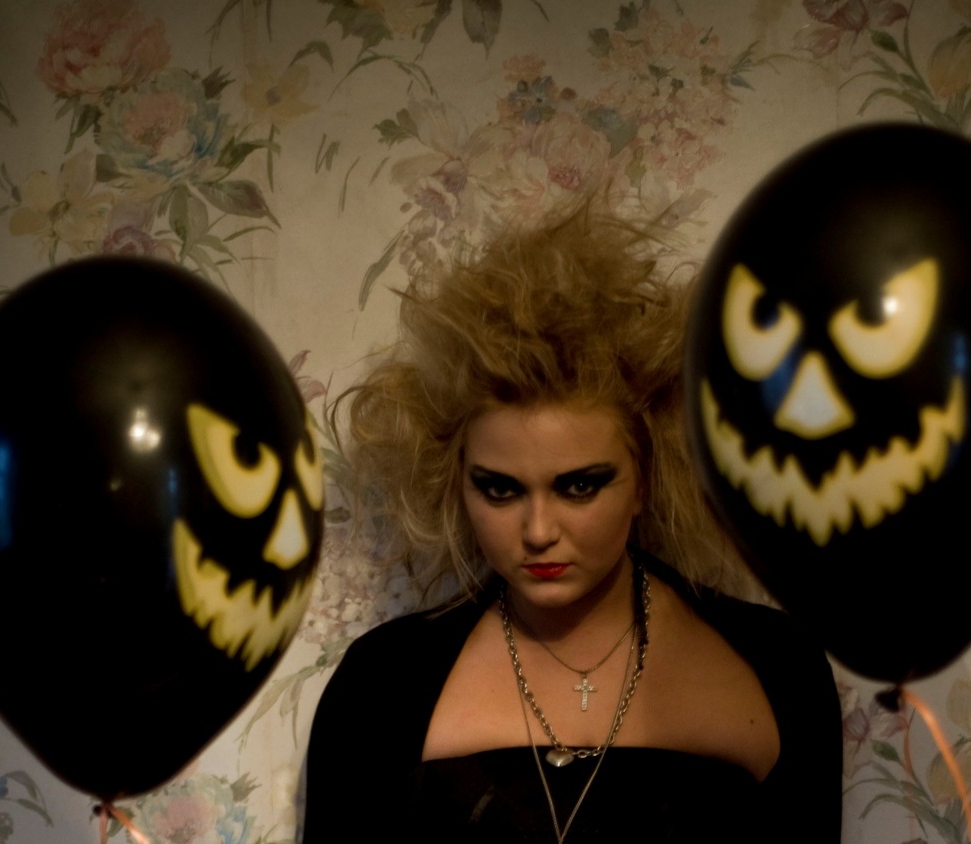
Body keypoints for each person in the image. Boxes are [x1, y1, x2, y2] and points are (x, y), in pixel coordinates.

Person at [302, 206, 841, 842]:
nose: (538, 531)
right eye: (500, 489)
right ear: (458, 481)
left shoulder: (778, 667)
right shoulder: (382, 685)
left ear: (646, 477)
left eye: (580, 486)